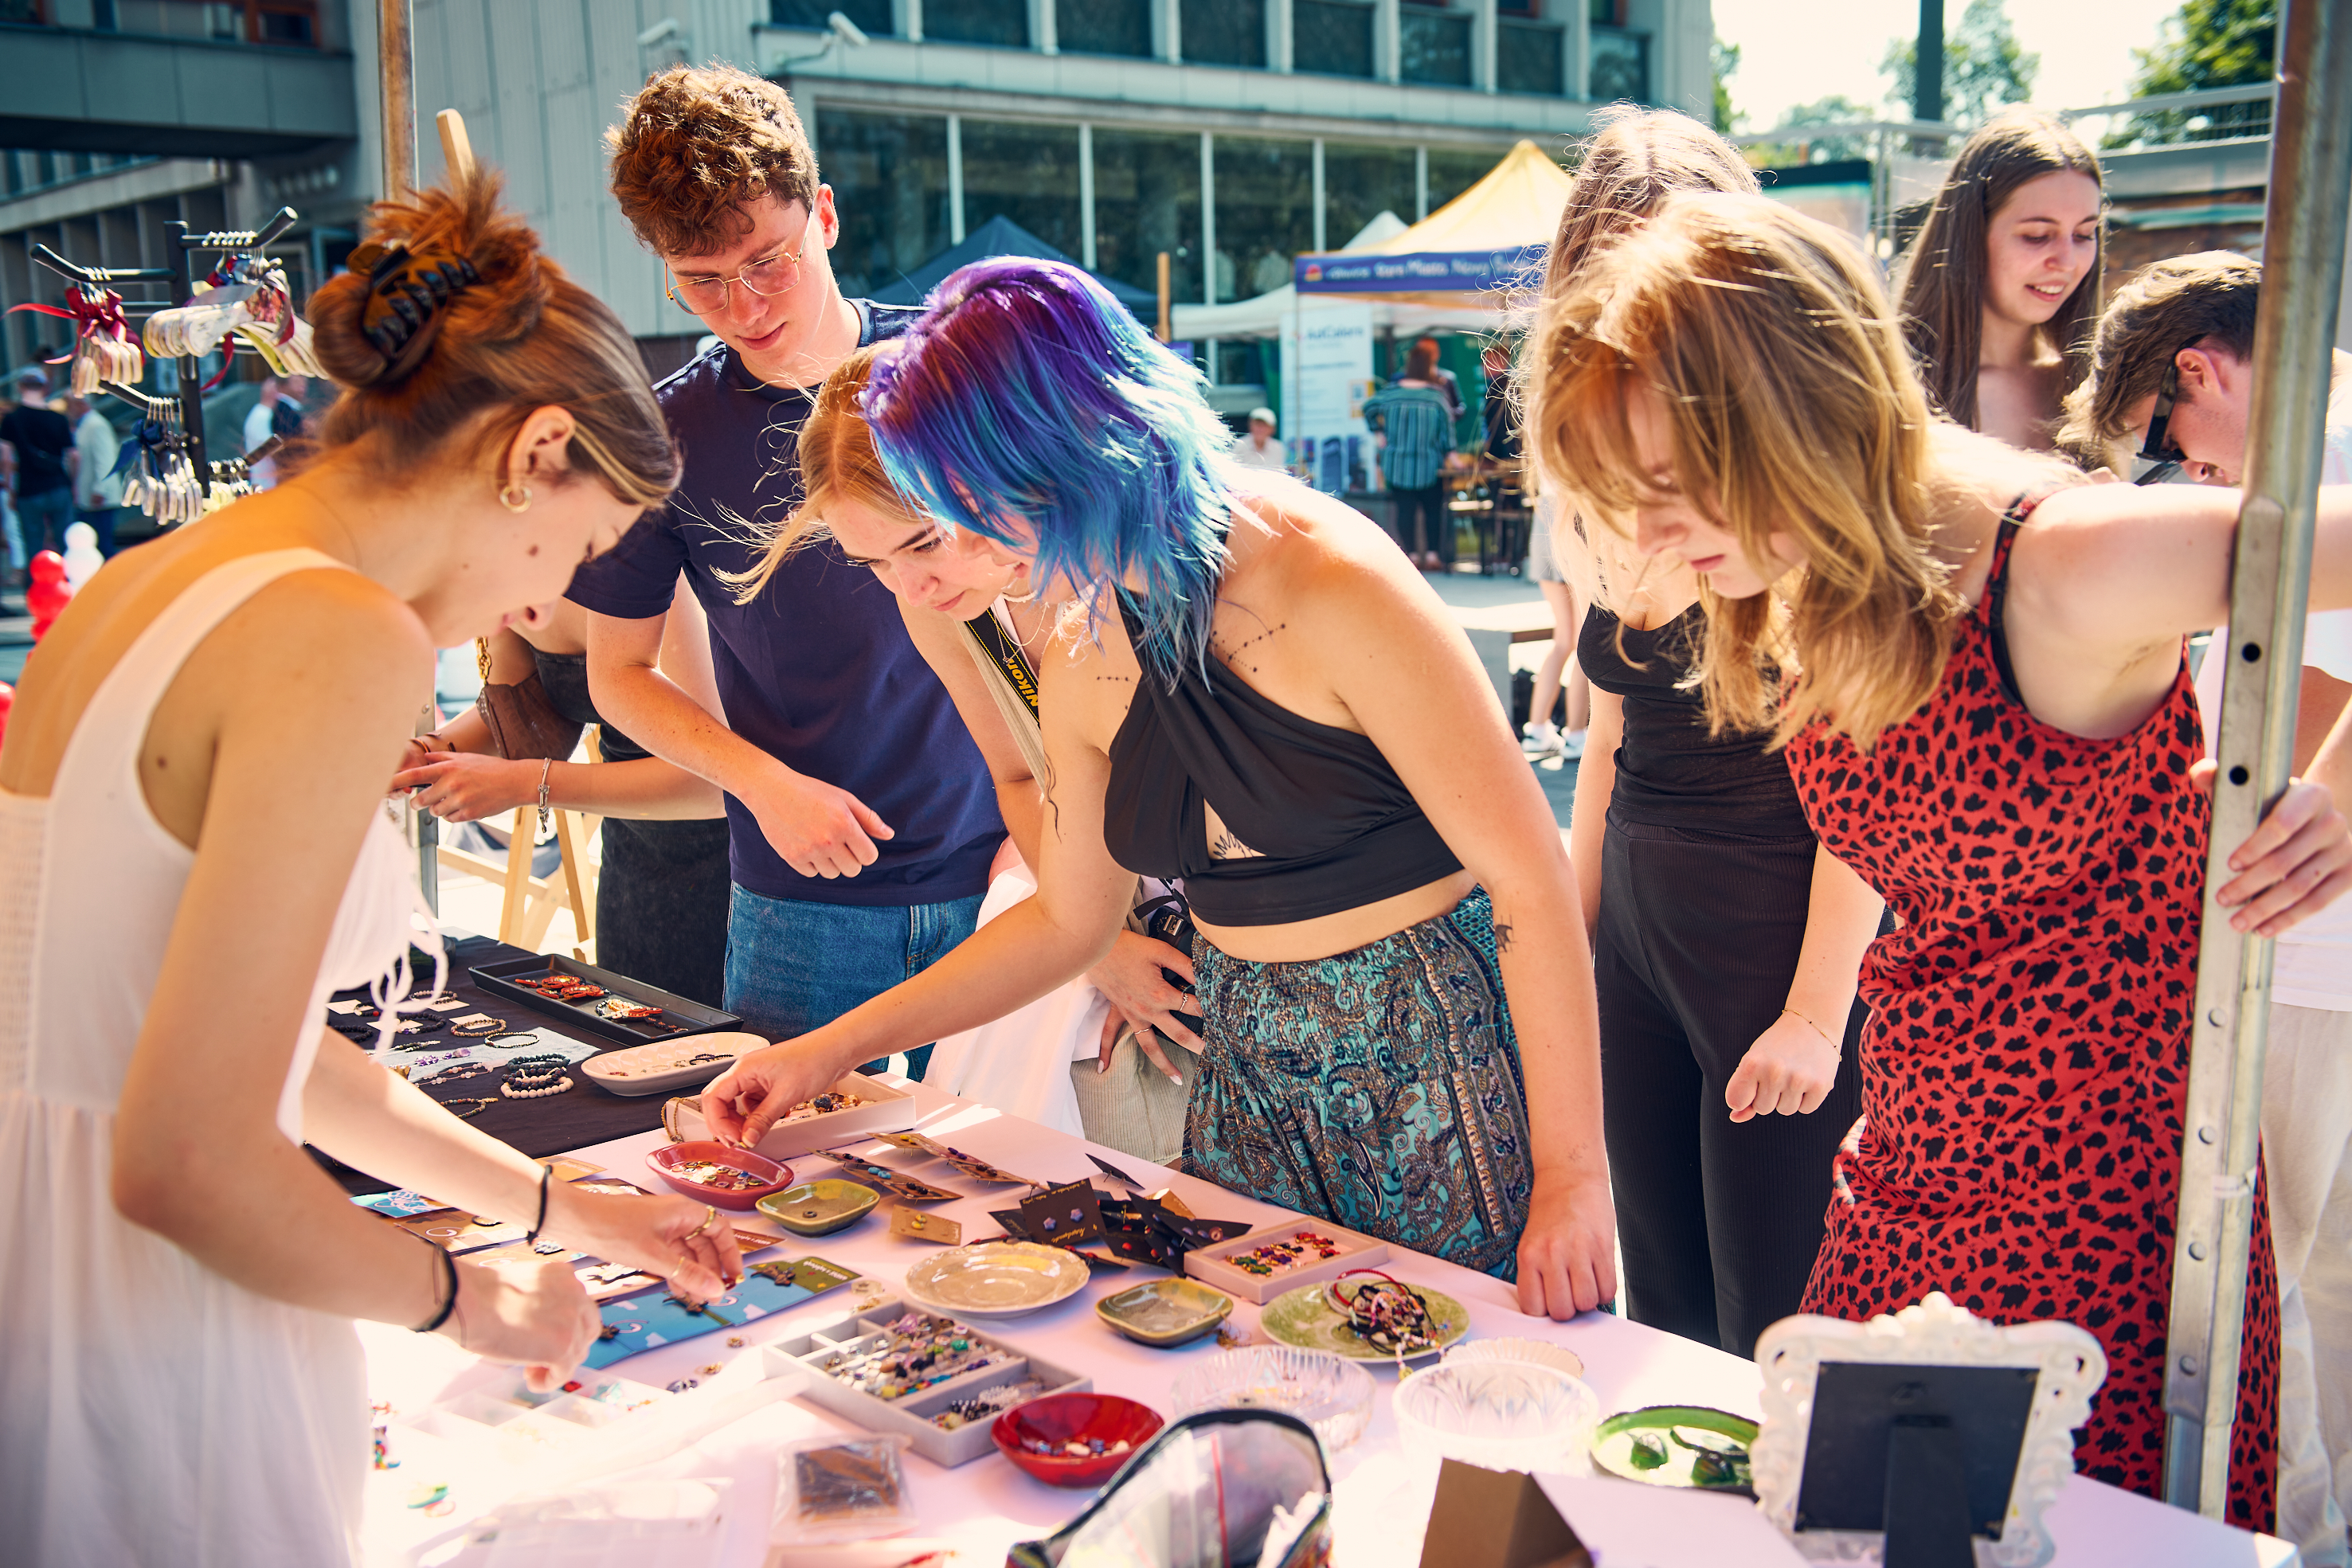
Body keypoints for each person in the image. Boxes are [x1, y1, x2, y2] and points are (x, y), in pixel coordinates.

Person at [1530, 190, 2352, 1527]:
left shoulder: (2068, 561)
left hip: (2103, 1205)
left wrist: (2342, 796)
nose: (1656, 545)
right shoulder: (1809, 570)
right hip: (1906, 1161)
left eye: (1672, 497)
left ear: (1790, 418)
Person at [0, 166, 739, 1566]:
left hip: (44, 1278)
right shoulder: (343, 631)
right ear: (531, 455)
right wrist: (466, 1298)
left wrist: (563, 1208)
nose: (536, 608)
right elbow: (188, 1155)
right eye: (570, 554)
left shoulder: (159, 576)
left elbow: (244, 1051)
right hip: (159, 1330)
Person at [703, 256, 1618, 1310]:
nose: (920, 584)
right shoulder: (1087, 635)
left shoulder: (1327, 579)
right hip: (1243, 1084)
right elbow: (1068, 925)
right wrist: (829, 1051)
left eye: (936, 529)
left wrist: (1575, 1176)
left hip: (1432, 1073)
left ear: (1048, 450)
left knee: (1480, 1402)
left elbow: (1530, 882)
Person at [1523, 109, 1877, 1358]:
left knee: (1773, 1320)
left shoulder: (1788, 492)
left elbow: (1870, 788)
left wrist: (1817, 1015)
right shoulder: (1588, 483)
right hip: (1639, 934)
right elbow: (1603, 745)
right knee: (1659, 1314)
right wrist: (1573, 941)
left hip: (1772, 935)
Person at [570, 65, 1002, 1069]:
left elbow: (1061, 610)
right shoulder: (663, 436)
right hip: (799, 894)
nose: (745, 303)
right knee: (788, 1193)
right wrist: (764, 786)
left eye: (770, 260)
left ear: (827, 217)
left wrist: (1059, 836)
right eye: (702, 279)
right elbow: (615, 678)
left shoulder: (958, 372)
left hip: (1006, 866)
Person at [726, 346, 1210, 1160]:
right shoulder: (944, 610)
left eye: (920, 544)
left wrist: (1094, 930)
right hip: (1090, 907)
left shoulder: (1136, 585)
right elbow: (1020, 775)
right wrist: (1100, 936)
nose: (909, 589)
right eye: (873, 563)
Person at [2062, 251, 2352, 1568]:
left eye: (2171, 439)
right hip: (2314, 958)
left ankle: (2286, 1536)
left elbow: (2265, 751)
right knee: (2329, 1285)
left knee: (2269, 1291)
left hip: (2293, 957)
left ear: (2199, 369)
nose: (2186, 473)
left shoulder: (2314, 470)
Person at [392, 585, 734, 1007]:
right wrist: (428, 752)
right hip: (635, 849)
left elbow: (710, 785)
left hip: (735, 858)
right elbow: (525, 723)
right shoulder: (511, 577)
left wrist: (525, 784)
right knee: (640, 1036)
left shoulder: (643, 564)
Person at [1896, 110, 2104, 452]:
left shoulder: (2095, 386)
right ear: (1970, 236)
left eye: (2084, 234)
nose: (2067, 262)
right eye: (2037, 236)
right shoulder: (1893, 383)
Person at [1364, 340, 1460, 572]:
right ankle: (1434, 555)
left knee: (1404, 511)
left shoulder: (1390, 393)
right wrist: (1454, 456)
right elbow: (1447, 432)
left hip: (1397, 465)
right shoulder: (1436, 396)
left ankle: (1412, 555)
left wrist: (1378, 433)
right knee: (1433, 512)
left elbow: (1368, 408)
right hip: (1430, 464)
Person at [2, 366, 76, 557]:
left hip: (28, 490)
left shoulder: (12, 419)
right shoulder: (58, 418)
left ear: (20, 387)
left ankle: (35, 584)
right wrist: (72, 484)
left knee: (33, 546)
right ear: (46, 387)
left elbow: (7, 458)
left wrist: (10, 489)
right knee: (66, 542)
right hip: (59, 486)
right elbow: (74, 456)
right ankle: (72, 583)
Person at [67, 390, 126, 557]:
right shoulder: (84, 425)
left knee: (102, 544)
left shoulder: (96, 425)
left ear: (79, 404)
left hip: (99, 498)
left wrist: (100, 489)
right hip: (89, 497)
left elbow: (106, 459)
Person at [241, 373, 307, 489]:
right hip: (269, 485)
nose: (302, 387)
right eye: (297, 382)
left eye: (304, 382)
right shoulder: (270, 414)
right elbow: (280, 450)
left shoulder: (265, 413)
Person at [1231, 405, 1287, 473]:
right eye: (1257, 424)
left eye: (1264, 425)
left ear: (1272, 429)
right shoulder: (1240, 445)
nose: (1260, 429)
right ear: (1251, 426)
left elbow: (1279, 475)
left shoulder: (1278, 447)